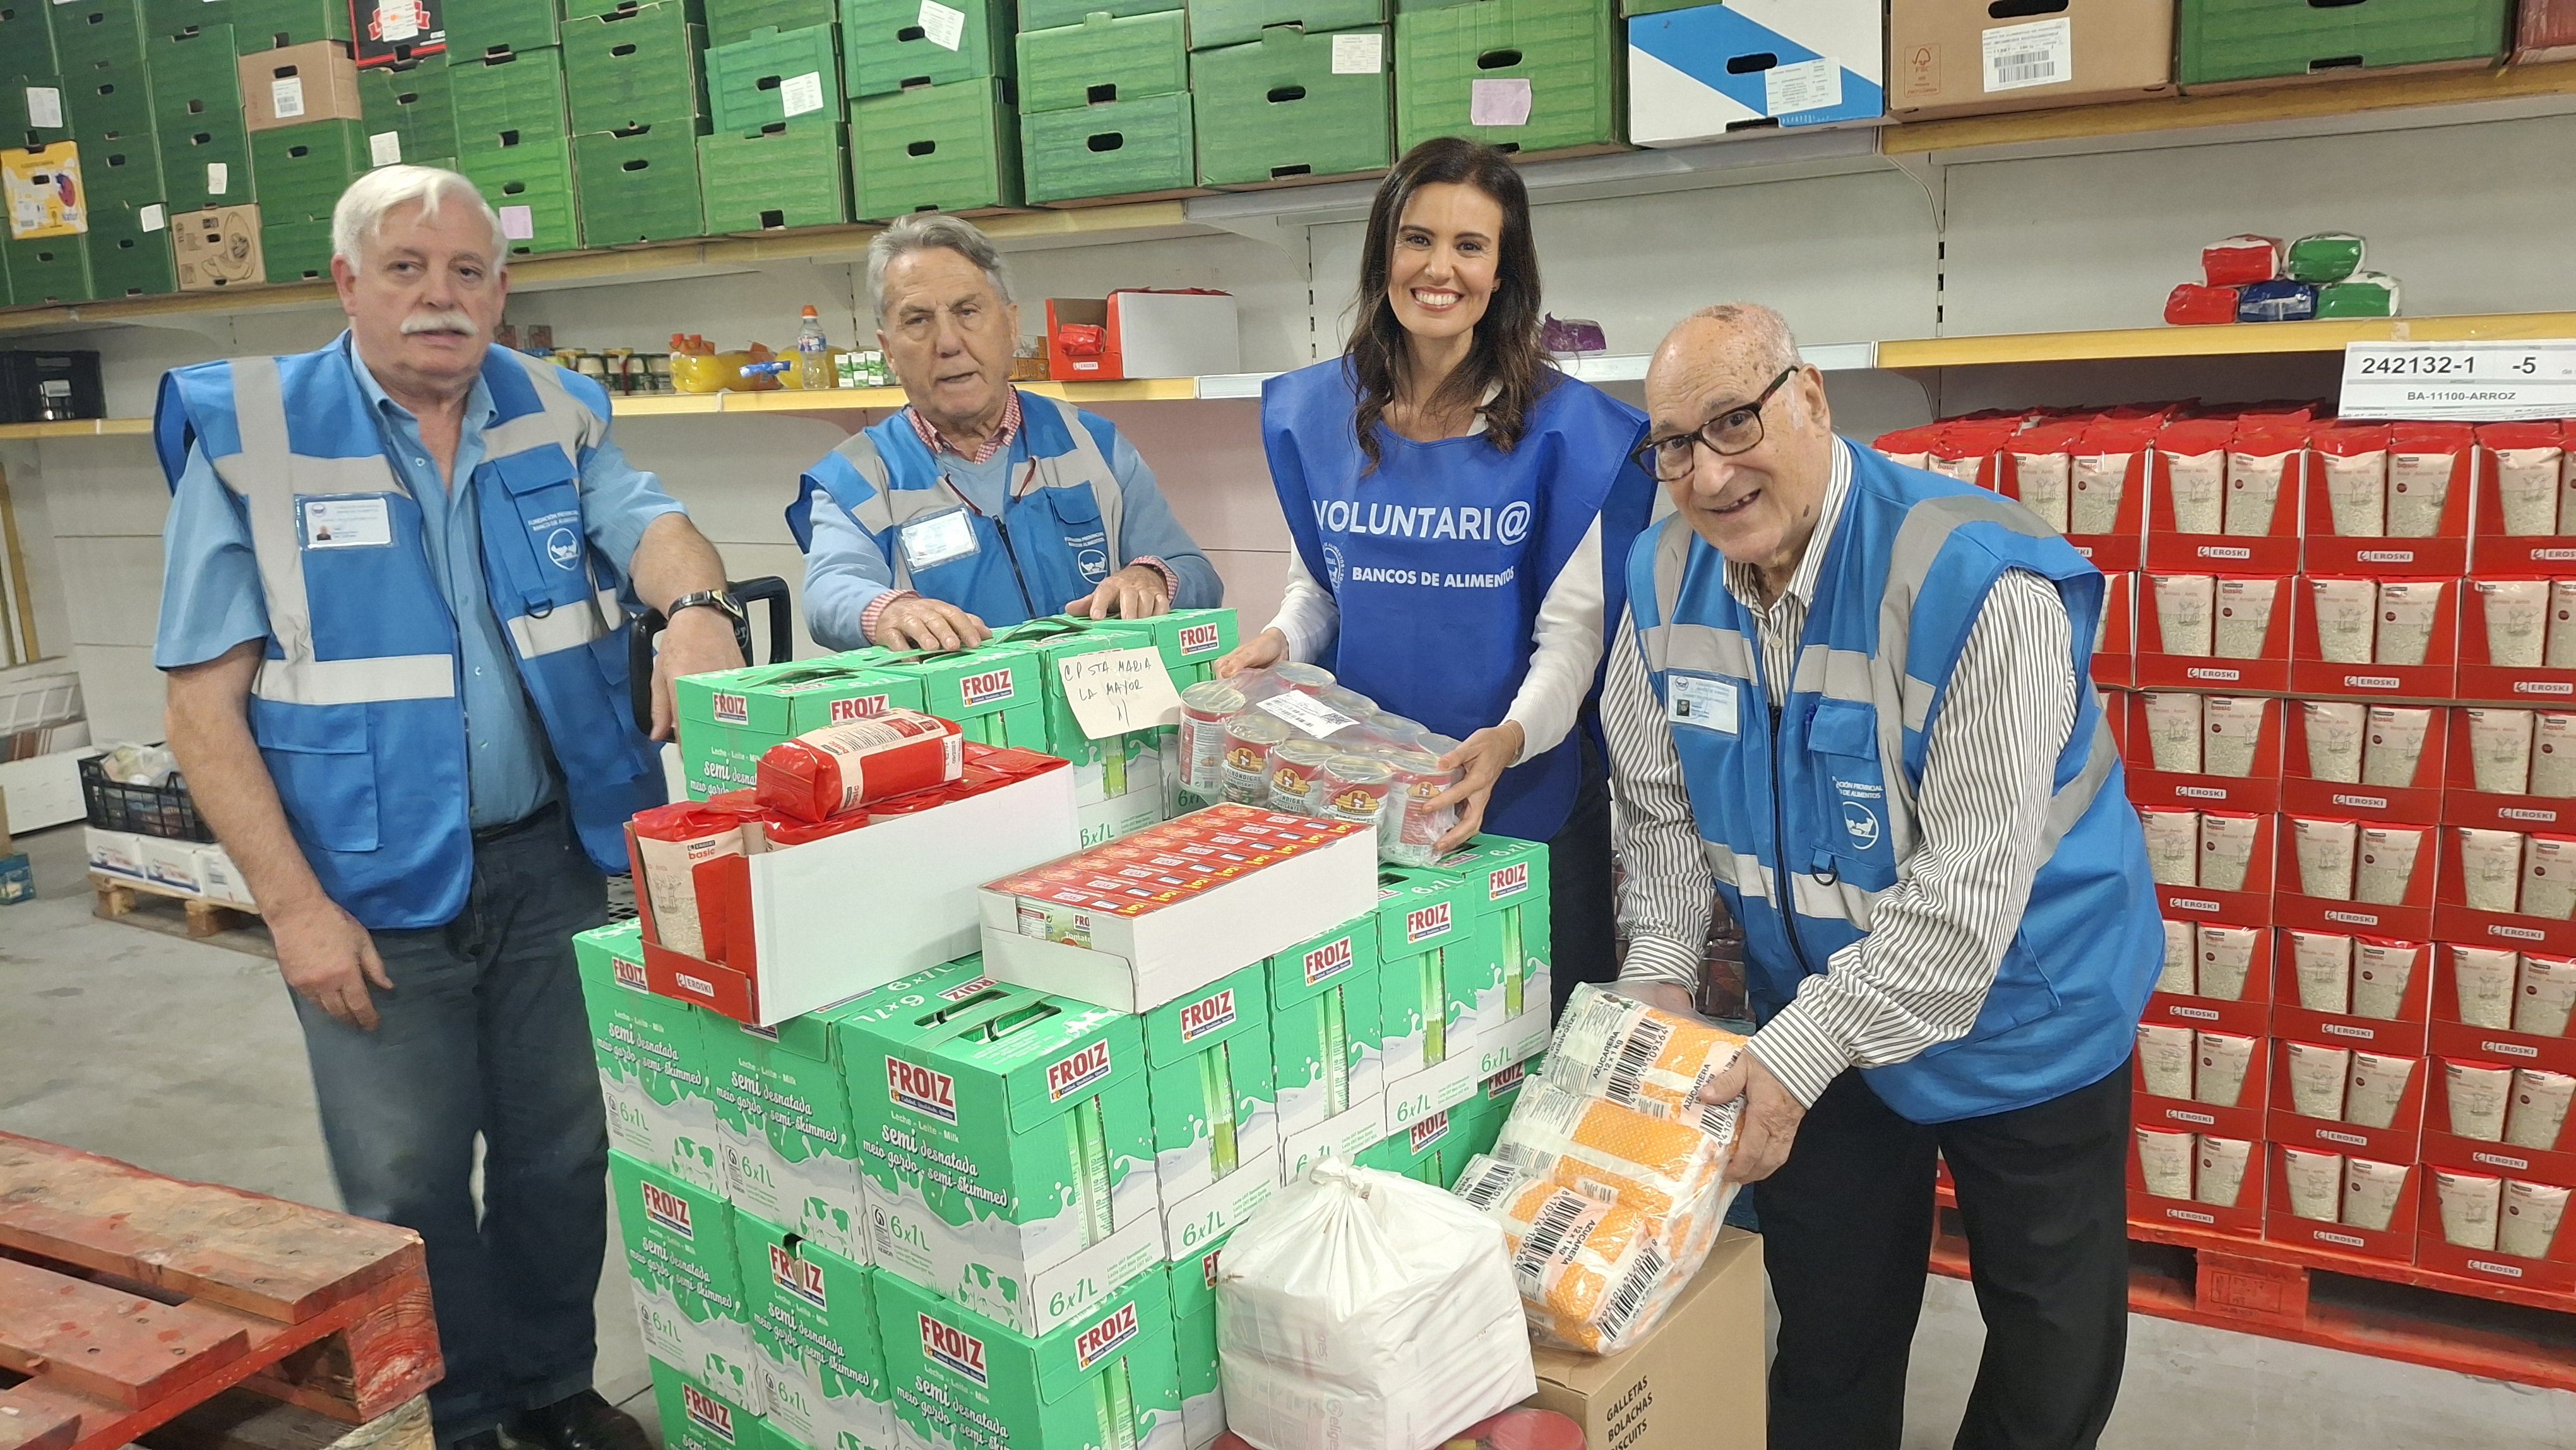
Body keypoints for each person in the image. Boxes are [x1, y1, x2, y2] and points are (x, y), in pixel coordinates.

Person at [153, 166, 744, 1450]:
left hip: (547, 861)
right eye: (408, 267)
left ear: (502, 290)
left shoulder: (555, 412)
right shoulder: (253, 434)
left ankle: (549, 1390)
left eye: (468, 270)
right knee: (406, 1182)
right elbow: (200, 710)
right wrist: (294, 911)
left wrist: (696, 609)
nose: (441, 295)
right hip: (362, 887)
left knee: (558, 1158)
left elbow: (657, 528)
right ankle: (456, 1413)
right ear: (347, 284)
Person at [1605, 303, 2159, 1450]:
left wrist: (1797, 1051)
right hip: (1812, 1008)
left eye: (1733, 421)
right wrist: (1660, 966)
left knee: (2046, 1341)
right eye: (1672, 444)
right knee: (1828, 1330)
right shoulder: (1663, 575)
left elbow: (1964, 903)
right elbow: (1656, 795)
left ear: (1811, 398)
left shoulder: (1976, 580)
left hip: (2028, 1002)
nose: (1707, 474)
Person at [1219, 136, 1657, 1008]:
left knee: (1536, 1048)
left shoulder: (1574, 435)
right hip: (1362, 795)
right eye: (1418, 239)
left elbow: (1572, 639)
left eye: (1470, 246)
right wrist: (1278, 639)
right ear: (1386, 253)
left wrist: (1508, 741)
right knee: (1390, 1042)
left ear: (1503, 272)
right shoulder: (1319, 415)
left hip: (1523, 797)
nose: (1439, 269)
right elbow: (1322, 587)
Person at [788, 213, 1222, 650]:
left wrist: (1150, 578)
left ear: (1011, 326)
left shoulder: (1093, 444)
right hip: (947, 715)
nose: (948, 342)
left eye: (968, 312)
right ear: (888, 352)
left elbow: (1195, 574)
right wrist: (889, 611)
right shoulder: (855, 478)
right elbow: (831, 594)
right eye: (918, 320)